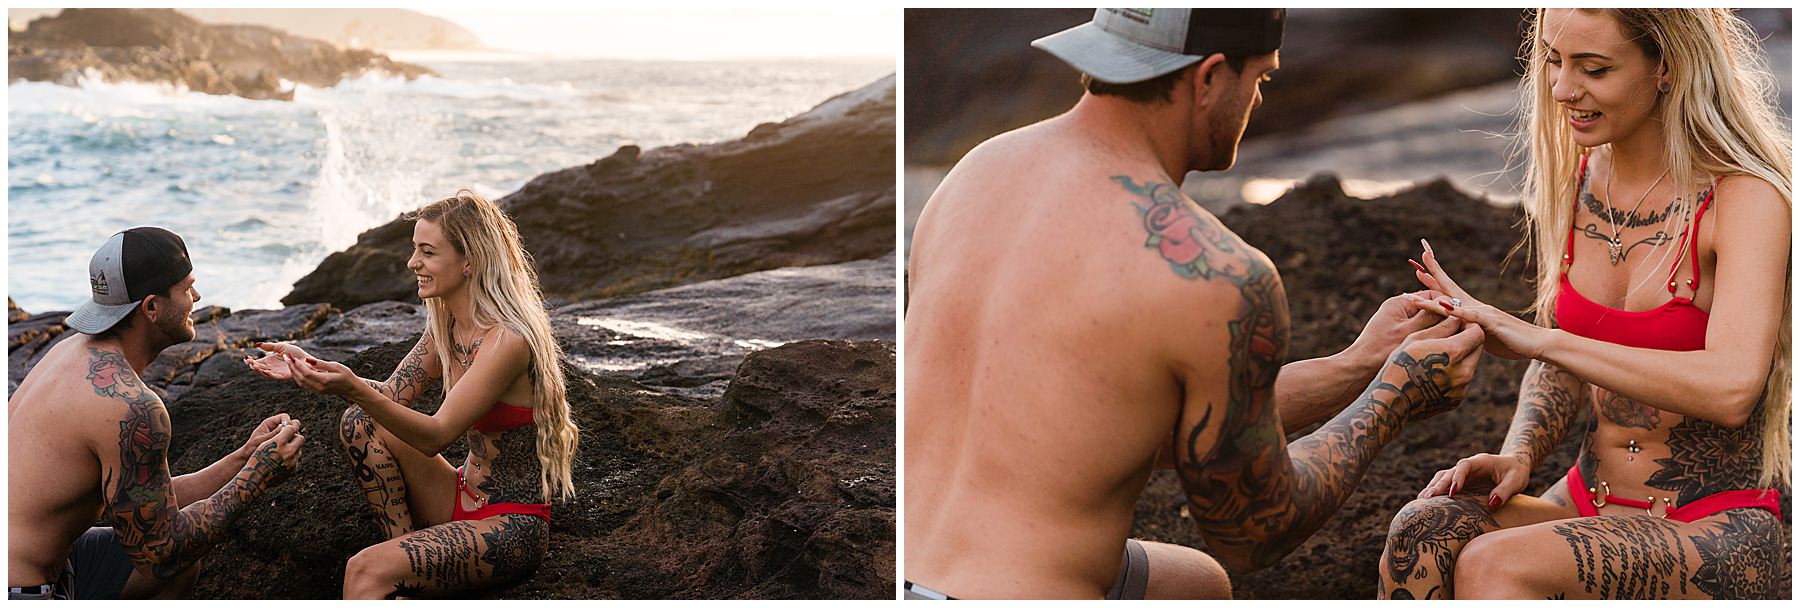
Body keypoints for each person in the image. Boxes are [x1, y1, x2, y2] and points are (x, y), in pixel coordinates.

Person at [904, 8, 1486, 600]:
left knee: (1197, 583)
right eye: (1259, 79)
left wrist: (1361, 365)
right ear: (1207, 79)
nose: (1258, 101)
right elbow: (1255, 531)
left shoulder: (971, 175)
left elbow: (1119, 428)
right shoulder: (1217, 273)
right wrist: (1392, 400)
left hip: (908, 571)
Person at [1380, 8, 1789, 600]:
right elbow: (1561, 363)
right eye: (1553, 60)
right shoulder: (1576, 177)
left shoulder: (1746, 198)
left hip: (1715, 524)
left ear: (1666, 67)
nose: (1563, 89)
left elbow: (1731, 389)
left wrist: (1537, 339)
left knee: (1496, 565)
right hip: (1587, 502)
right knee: (1422, 529)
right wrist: (1519, 453)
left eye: (1593, 69)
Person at [246, 191, 581, 599]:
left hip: (509, 526)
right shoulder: (447, 325)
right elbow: (388, 397)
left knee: (363, 572)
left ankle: (392, 572)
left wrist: (351, 385)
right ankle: (402, 561)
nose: (412, 263)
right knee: (360, 420)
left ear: (469, 259)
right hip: (458, 496)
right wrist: (311, 367)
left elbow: (437, 435)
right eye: (413, 250)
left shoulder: (506, 340)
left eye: (427, 252)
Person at [8, 227, 305, 600]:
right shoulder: (130, 407)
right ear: (152, 307)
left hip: (53, 559)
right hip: (21, 589)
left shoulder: (70, 351)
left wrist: (244, 458)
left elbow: (150, 508)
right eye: (187, 288)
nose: (197, 297)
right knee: (175, 562)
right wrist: (258, 476)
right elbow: (162, 553)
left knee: (179, 567)